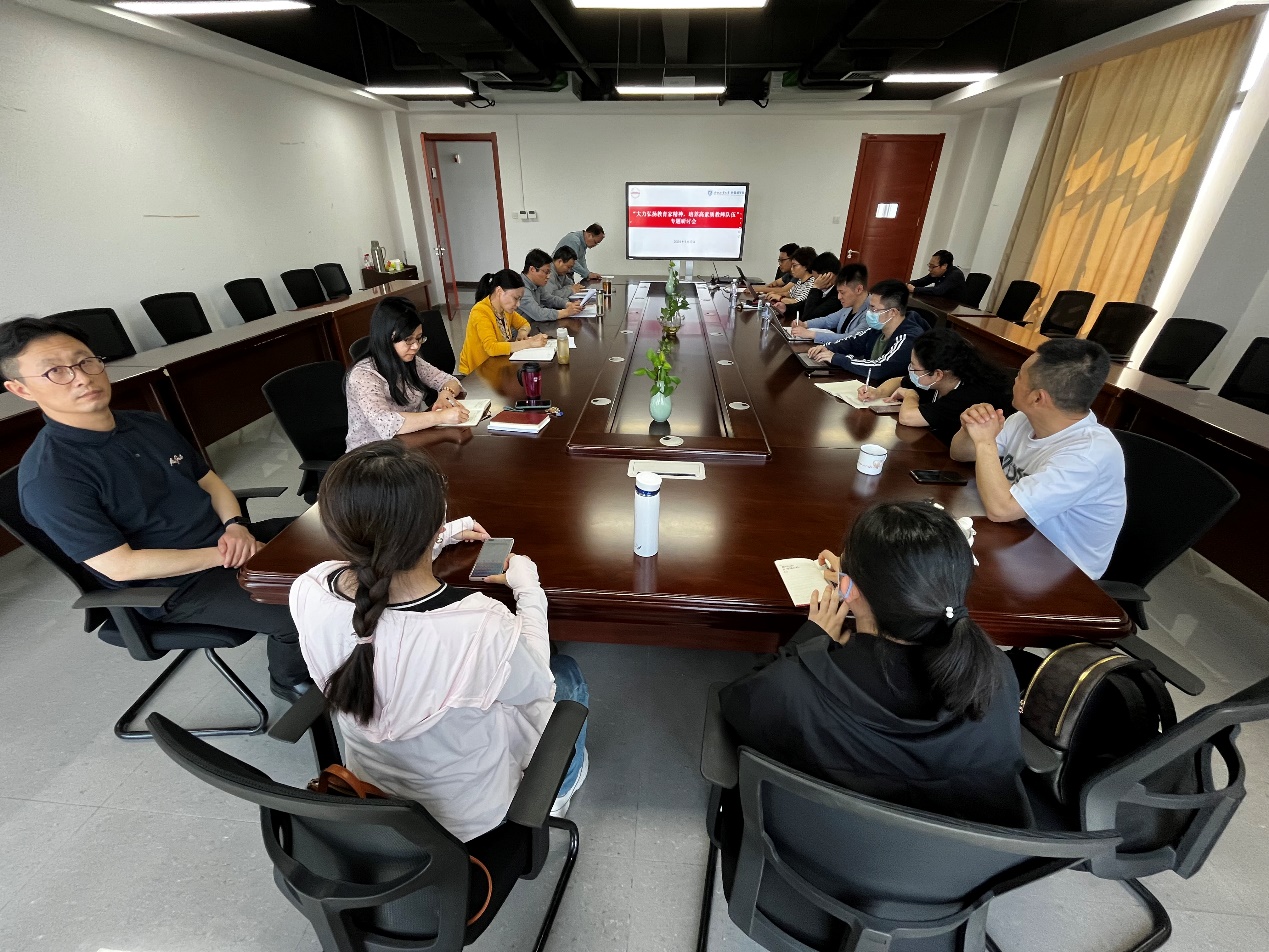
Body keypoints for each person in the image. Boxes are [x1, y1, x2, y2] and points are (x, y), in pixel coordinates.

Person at [716, 502, 1027, 890]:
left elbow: (735, 707)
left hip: (812, 872)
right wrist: (859, 580)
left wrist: (807, 641)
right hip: (947, 883)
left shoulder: (795, 687)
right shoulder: (996, 675)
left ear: (849, 591)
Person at [291, 441, 589, 842]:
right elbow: (539, 683)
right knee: (566, 673)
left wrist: (435, 537)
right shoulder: (480, 625)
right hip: (473, 823)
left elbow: (379, 568)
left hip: (372, 801)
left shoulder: (309, 589)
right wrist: (529, 590)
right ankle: (558, 792)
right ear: (435, 520)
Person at [1, 317, 311, 700]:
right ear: (21, 389)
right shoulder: (50, 477)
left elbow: (209, 481)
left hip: (227, 542)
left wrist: (235, 525)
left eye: (85, 361)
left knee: (340, 533)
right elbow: (120, 566)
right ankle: (290, 681)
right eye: (55, 372)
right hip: (174, 585)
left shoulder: (146, 423)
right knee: (302, 609)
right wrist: (222, 556)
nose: (80, 378)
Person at [950, 338, 1125, 579]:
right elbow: (959, 453)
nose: (1014, 380)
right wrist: (969, 427)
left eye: (1020, 376)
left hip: (1064, 572)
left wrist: (984, 441)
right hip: (1016, 536)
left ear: (1038, 398)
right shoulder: (1024, 419)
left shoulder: (1089, 455)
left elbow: (1001, 509)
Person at [344, 297, 469, 451]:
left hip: (407, 443)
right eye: (408, 340)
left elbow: (449, 380)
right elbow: (386, 422)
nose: (415, 346)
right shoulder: (363, 375)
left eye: (419, 338)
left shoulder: (409, 360)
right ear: (386, 338)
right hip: (372, 454)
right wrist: (440, 417)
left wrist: (445, 394)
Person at [858, 329, 1015, 444]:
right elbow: (899, 381)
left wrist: (911, 395)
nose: (910, 370)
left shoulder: (968, 395)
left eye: (914, 367)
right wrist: (878, 392)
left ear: (938, 374)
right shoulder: (937, 378)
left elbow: (908, 418)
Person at [806, 279, 925, 381]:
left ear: (893, 312)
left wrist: (836, 358)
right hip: (869, 387)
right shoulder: (878, 328)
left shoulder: (909, 337)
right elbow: (853, 342)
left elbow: (880, 368)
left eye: (873, 308)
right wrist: (828, 348)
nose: (869, 312)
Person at [456, 270, 550, 375]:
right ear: (499, 291)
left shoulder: (505, 309)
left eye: (520, 299)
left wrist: (522, 333)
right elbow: (492, 348)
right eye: (515, 298)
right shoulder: (480, 311)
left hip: (498, 365)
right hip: (477, 372)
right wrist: (529, 343)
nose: (518, 304)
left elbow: (524, 324)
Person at [789, 264, 870, 343]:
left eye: (842, 293)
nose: (839, 297)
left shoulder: (871, 313)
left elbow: (850, 338)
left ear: (859, 289)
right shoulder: (849, 307)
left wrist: (811, 334)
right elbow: (828, 320)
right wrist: (805, 324)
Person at [519, 249, 583, 323]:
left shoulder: (537, 284)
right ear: (532, 269)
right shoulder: (520, 288)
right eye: (546, 272)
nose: (548, 276)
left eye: (549, 272)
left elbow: (549, 299)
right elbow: (538, 314)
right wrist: (567, 312)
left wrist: (568, 304)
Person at [779, 252, 841, 321]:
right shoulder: (824, 290)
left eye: (816, 278)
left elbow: (808, 317)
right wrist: (786, 308)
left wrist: (815, 289)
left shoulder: (838, 296)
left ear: (828, 276)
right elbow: (803, 305)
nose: (814, 282)